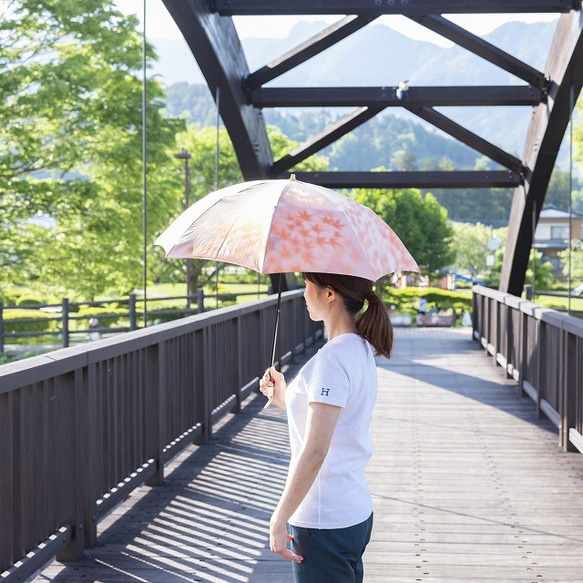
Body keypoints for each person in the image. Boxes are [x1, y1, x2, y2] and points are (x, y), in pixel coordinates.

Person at [259, 271, 393, 582]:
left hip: (323, 521)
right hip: (353, 512)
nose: (304, 294)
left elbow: (316, 450)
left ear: (329, 294)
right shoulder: (359, 347)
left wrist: (279, 517)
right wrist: (284, 396)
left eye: (307, 285)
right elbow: (335, 420)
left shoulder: (331, 360)